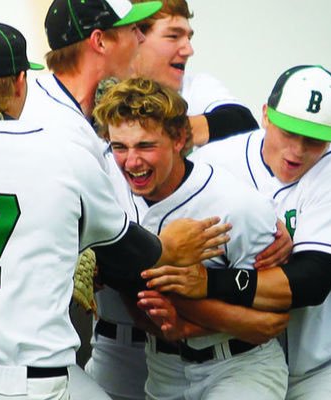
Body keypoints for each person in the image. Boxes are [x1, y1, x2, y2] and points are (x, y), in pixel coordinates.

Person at [0, 20, 228, 400]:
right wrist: (167, 247)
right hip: (36, 384)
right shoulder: (67, 156)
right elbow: (126, 254)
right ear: (19, 82)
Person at [156, 65, 331, 399]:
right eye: (289, 132)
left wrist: (209, 283)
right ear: (265, 114)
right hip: (247, 363)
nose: (297, 150)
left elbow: (309, 283)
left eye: (313, 139)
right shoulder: (216, 161)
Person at [95, 77, 290, 399]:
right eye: (119, 147)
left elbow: (272, 317)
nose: (132, 161)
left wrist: (188, 324)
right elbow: (131, 289)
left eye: (146, 146)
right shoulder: (108, 191)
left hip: (240, 367)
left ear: (179, 138)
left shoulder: (236, 203)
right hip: (162, 370)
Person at [128, 0, 260, 150]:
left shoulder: (195, 86)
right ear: (135, 37)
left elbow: (244, 122)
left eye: (188, 38)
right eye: (173, 36)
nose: (189, 51)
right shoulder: (105, 91)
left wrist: (167, 131)